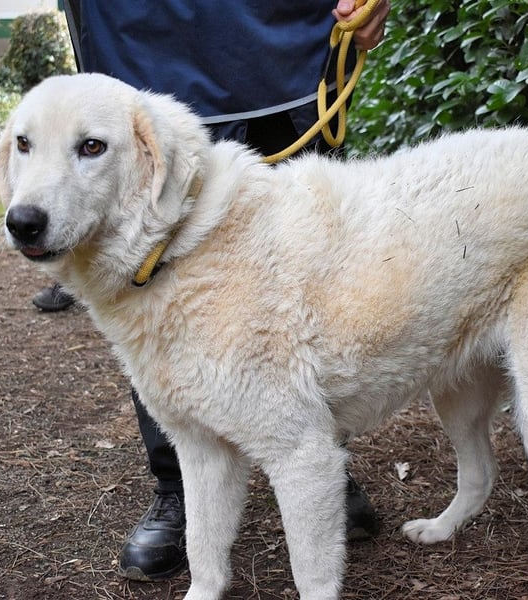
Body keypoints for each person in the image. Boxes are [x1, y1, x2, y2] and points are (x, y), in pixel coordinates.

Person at [57, 0, 392, 583]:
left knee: (308, 281)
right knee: (147, 282)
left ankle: (319, 453)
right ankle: (178, 484)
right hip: (138, 42)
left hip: (281, 45)